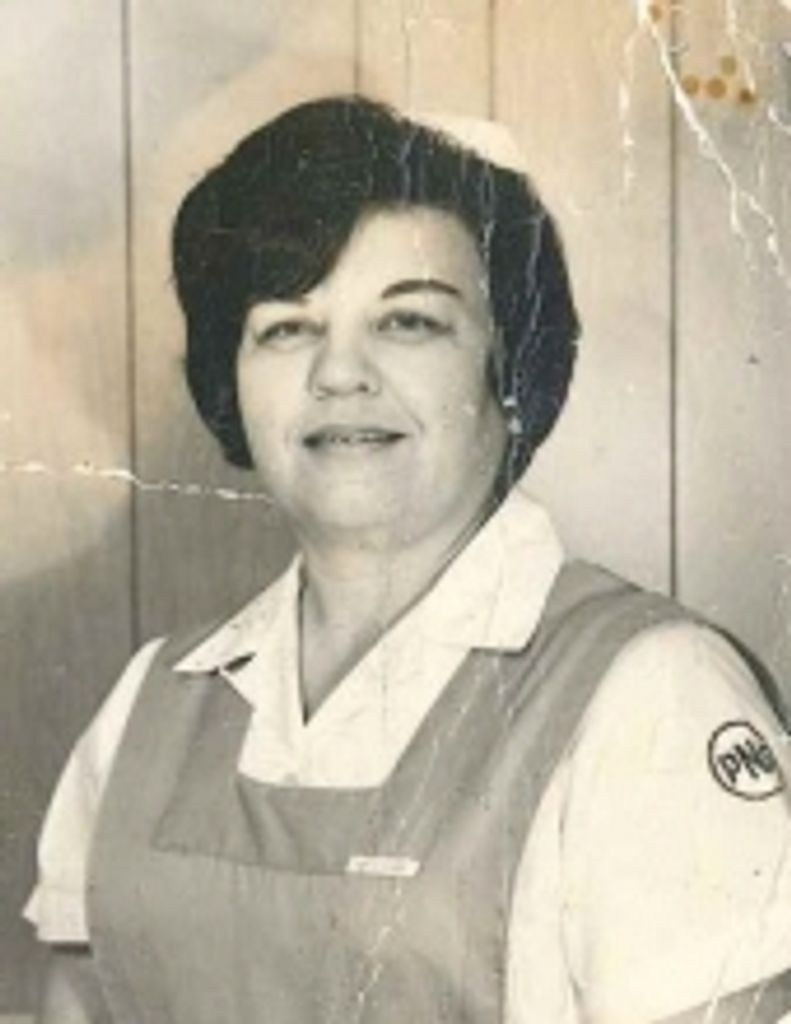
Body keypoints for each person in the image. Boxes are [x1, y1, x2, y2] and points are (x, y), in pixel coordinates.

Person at [27, 96, 791, 1024]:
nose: (338, 373)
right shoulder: (149, 707)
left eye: (409, 323)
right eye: (286, 327)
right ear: (232, 382)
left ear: (509, 371)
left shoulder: (651, 693)